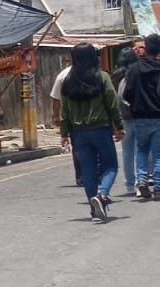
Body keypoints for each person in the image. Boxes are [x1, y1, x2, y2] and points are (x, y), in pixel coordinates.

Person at [59, 44, 124, 223]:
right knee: (110, 166)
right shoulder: (102, 77)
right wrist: (119, 126)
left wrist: (64, 134)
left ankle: (93, 207)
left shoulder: (67, 81)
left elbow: (63, 111)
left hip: (78, 133)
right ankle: (102, 195)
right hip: (100, 129)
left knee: (88, 170)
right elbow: (112, 103)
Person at [123, 33, 160, 201]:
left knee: (142, 150)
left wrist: (136, 105)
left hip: (139, 116)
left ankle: (142, 180)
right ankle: (158, 188)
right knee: (158, 153)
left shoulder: (134, 69)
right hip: (158, 115)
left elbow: (127, 93)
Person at [111, 47, 139, 196]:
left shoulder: (114, 76)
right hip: (139, 115)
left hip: (122, 117)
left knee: (127, 152)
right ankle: (141, 179)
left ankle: (129, 184)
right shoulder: (136, 72)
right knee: (141, 149)